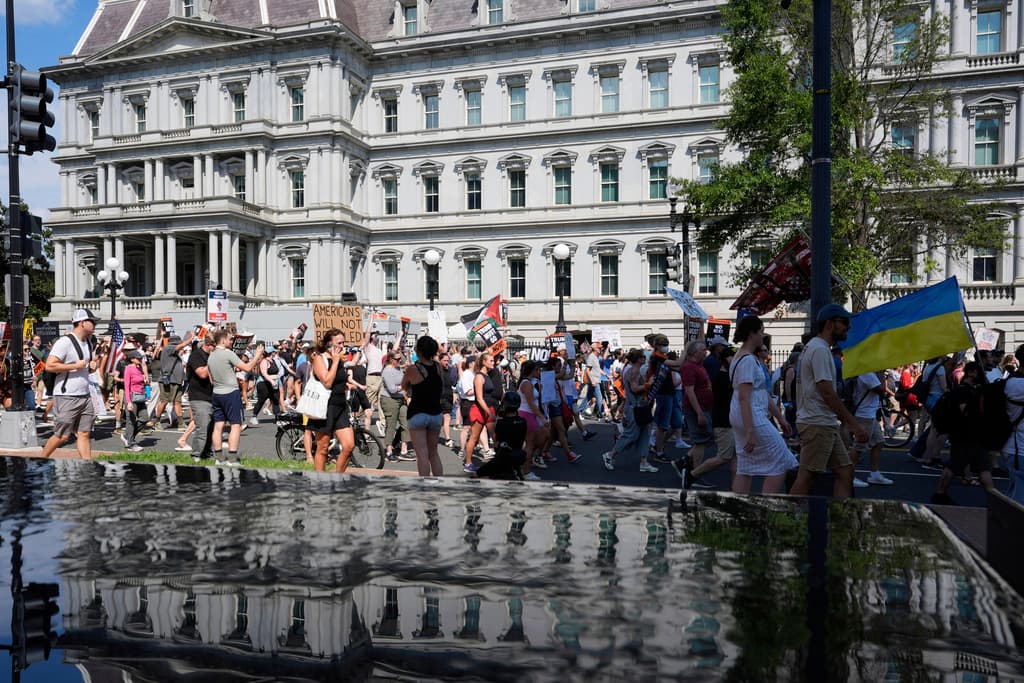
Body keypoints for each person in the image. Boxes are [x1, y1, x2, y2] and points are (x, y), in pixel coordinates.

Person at [789, 304, 868, 498]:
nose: (848, 326)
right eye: (844, 322)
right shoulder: (820, 350)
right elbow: (827, 393)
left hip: (823, 422)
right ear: (829, 324)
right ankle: (786, 520)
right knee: (807, 477)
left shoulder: (816, 347)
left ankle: (840, 518)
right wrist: (854, 424)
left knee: (845, 471)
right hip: (818, 423)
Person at [726, 316, 798, 494]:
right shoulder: (748, 360)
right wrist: (750, 430)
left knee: (745, 465)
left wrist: (780, 418)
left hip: (744, 414)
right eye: (760, 331)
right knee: (781, 459)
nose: (763, 335)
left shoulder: (741, 357)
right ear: (752, 334)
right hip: (751, 416)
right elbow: (745, 397)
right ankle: (766, 506)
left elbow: (760, 394)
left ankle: (738, 507)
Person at [931, 361, 994, 505]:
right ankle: (940, 493)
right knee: (954, 465)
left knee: (984, 467)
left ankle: (995, 501)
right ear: (971, 372)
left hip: (975, 435)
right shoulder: (963, 391)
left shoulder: (974, 390)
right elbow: (965, 411)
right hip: (964, 435)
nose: (982, 375)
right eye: (979, 372)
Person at [41, 309, 100, 460]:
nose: (95, 324)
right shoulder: (64, 342)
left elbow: (84, 367)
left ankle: (87, 465)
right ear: (82, 323)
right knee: (62, 436)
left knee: (84, 433)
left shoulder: (88, 342)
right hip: (67, 395)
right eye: (92, 321)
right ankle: (40, 460)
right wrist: (75, 365)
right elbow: (49, 366)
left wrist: (91, 367)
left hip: (85, 395)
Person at [682, 345, 736, 489]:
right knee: (701, 441)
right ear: (694, 352)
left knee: (709, 439)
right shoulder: (689, 367)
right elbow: (689, 391)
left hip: (706, 409)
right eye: (702, 350)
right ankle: (694, 474)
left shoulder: (699, 366)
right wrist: (699, 412)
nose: (705, 352)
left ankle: (686, 461)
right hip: (697, 410)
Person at [208, 329, 265, 466]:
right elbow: (247, 368)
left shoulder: (211, 356)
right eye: (230, 339)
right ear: (223, 340)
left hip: (217, 393)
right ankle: (232, 458)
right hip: (230, 393)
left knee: (218, 425)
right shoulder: (228, 353)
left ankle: (219, 457)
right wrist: (257, 355)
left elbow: (211, 380)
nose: (232, 341)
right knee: (236, 425)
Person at [603, 348, 659, 473]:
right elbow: (634, 389)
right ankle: (609, 455)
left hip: (641, 406)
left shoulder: (638, 370)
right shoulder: (632, 371)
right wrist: (648, 384)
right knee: (631, 435)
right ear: (639, 359)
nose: (645, 359)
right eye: (644, 357)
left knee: (645, 433)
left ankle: (644, 462)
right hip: (634, 407)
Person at [308, 328, 356, 473]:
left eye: (343, 342)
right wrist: (335, 361)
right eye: (339, 343)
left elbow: (338, 380)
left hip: (340, 406)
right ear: (330, 343)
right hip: (324, 407)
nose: (342, 346)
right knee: (322, 449)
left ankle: (337, 477)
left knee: (349, 446)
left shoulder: (339, 359)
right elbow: (327, 382)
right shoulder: (318, 358)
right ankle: (320, 482)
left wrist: (348, 385)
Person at [402, 335, 445, 476]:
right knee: (434, 453)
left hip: (418, 413)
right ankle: (440, 484)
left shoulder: (412, 369)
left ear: (419, 350)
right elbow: (441, 388)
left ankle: (425, 487)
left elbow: (404, 385)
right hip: (436, 413)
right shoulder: (438, 367)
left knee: (422, 454)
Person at [477, 391, 528, 480]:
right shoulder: (523, 421)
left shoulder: (502, 422)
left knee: (478, 473)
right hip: (518, 455)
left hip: (503, 458)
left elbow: (496, 441)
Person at [182, 332, 216, 462]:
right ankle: (196, 455)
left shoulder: (211, 355)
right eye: (215, 346)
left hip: (212, 396)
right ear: (208, 345)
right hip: (199, 396)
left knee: (212, 428)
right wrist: (213, 360)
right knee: (202, 427)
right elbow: (202, 373)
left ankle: (207, 453)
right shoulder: (196, 355)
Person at [463, 353, 498, 472]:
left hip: (489, 408)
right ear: (484, 362)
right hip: (480, 410)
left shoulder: (487, 375)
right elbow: (479, 398)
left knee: (495, 436)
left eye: (493, 361)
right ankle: (468, 463)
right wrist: (489, 412)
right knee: (474, 437)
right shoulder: (479, 377)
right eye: (491, 361)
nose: (493, 363)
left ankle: (500, 462)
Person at [380, 350, 413, 461]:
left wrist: (406, 395)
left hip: (401, 399)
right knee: (391, 425)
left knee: (406, 423)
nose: (400, 361)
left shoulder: (398, 368)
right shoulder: (387, 371)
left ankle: (404, 450)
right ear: (390, 359)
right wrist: (403, 386)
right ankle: (389, 452)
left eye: (400, 359)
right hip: (389, 400)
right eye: (397, 359)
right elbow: (392, 389)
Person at [153, 334, 190, 429]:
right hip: (169, 381)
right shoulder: (168, 348)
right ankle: (156, 421)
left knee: (178, 402)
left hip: (176, 381)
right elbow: (180, 346)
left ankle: (180, 423)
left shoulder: (175, 354)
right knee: (164, 401)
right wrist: (191, 338)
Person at [1002, 344, 1024, 504]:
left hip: (1011, 446)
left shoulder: (1010, 382)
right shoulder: (1020, 386)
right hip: (1020, 449)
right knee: (1019, 501)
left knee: (1015, 490)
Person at [120, 351, 147, 452]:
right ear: (132, 359)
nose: (140, 359)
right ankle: (131, 444)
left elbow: (144, 382)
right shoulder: (128, 369)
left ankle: (128, 436)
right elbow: (126, 386)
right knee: (131, 421)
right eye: (138, 358)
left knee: (145, 418)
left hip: (140, 397)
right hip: (131, 397)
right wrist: (129, 401)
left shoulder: (139, 368)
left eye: (141, 358)